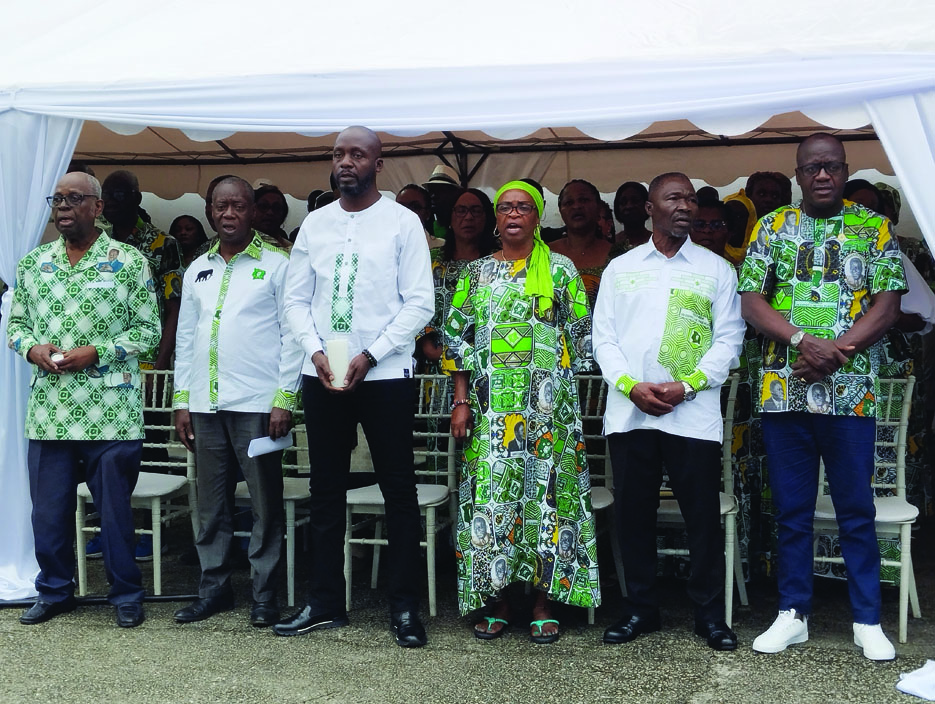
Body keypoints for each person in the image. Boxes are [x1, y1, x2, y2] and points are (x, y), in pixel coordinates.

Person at [738, 133, 907, 660]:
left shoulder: (872, 227)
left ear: (845, 168)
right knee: (793, 510)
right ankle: (793, 613)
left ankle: (866, 619)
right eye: (812, 168)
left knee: (856, 507)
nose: (823, 176)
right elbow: (750, 301)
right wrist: (800, 341)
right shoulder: (772, 227)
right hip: (783, 391)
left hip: (850, 392)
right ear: (799, 174)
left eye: (832, 166)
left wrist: (840, 349)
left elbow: (889, 303)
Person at [278, 126, 434, 648]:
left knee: (398, 488)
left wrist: (371, 355)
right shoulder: (315, 225)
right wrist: (317, 352)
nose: (347, 162)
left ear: (377, 163)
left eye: (358, 154)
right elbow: (296, 301)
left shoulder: (402, 222)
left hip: (384, 373)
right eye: (340, 153)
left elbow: (420, 302)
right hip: (322, 370)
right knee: (325, 487)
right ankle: (324, 602)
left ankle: (405, 607)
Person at [593, 172, 745, 651]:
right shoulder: (621, 267)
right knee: (633, 514)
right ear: (649, 209)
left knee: (701, 515)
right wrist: (630, 386)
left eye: (691, 199)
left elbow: (730, 340)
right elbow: (604, 338)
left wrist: (689, 385)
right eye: (673, 197)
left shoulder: (716, 270)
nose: (686, 206)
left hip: (692, 414)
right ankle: (640, 609)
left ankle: (708, 614)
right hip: (631, 411)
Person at [444, 180, 600, 644]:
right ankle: (499, 601)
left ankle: (543, 602)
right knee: (495, 503)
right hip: (492, 415)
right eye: (507, 207)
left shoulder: (562, 269)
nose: (514, 214)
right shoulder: (474, 275)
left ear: (537, 218)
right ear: (497, 218)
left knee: (547, 504)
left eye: (524, 208)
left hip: (548, 414)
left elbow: (582, 339)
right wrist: (461, 399)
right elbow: (456, 340)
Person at [6, 171, 160, 628]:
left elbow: (148, 332)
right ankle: (54, 591)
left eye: (75, 198)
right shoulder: (34, 264)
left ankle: (126, 594)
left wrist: (100, 351)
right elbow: (16, 326)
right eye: (57, 199)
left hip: (111, 412)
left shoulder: (129, 262)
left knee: (113, 514)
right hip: (51, 412)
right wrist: (31, 348)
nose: (63, 206)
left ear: (97, 207)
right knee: (49, 513)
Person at [172, 176, 304, 628]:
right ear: (210, 210)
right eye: (220, 206)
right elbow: (186, 338)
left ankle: (265, 594)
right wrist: (181, 401)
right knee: (210, 504)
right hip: (205, 405)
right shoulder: (196, 269)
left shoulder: (278, 264)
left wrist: (284, 399)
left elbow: (294, 338)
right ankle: (214, 589)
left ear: (253, 211)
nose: (229, 214)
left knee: (265, 505)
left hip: (258, 405)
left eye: (238, 206)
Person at [100, 170, 182, 373]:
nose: (109, 201)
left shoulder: (163, 243)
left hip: (147, 360)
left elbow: (175, 308)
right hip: (105, 357)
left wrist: (161, 365)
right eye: (105, 195)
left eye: (117, 194)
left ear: (136, 198)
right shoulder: (100, 245)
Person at [417, 188, 497, 373]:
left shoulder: (500, 260)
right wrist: (427, 345)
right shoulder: (431, 260)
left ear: (486, 217)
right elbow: (413, 300)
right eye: (461, 210)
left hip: (488, 363)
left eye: (476, 210)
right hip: (438, 362)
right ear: (450, 217)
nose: (468, 217)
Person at [549, 179, 619, 308]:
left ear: (598, 207)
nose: (576, 206)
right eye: (569, 202)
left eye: (584, 200)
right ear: (560, 211)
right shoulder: (545, 254)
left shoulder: (618, 255)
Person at [396, 183, 446, 249]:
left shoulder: (442, 247)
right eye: (400, 206)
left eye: (414, 207)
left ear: (427, 213)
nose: (406, 211)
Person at [424, 164, 462, 242]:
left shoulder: (464, 227)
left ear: (454, 194)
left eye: (440, 191)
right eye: (431, 191)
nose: (433, 195)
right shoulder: (426, 226)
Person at [613, 181, 652, 249]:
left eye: (635, 201)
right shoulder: (611, 244)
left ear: (647, 206)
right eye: (623, 202)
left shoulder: (655, 242)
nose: (629, 206)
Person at [253, 184, 293, 250]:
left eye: (276, 208)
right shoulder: (238, 244)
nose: (270, 213)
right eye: (263, 206)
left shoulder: (290, 250)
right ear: (252, 209)